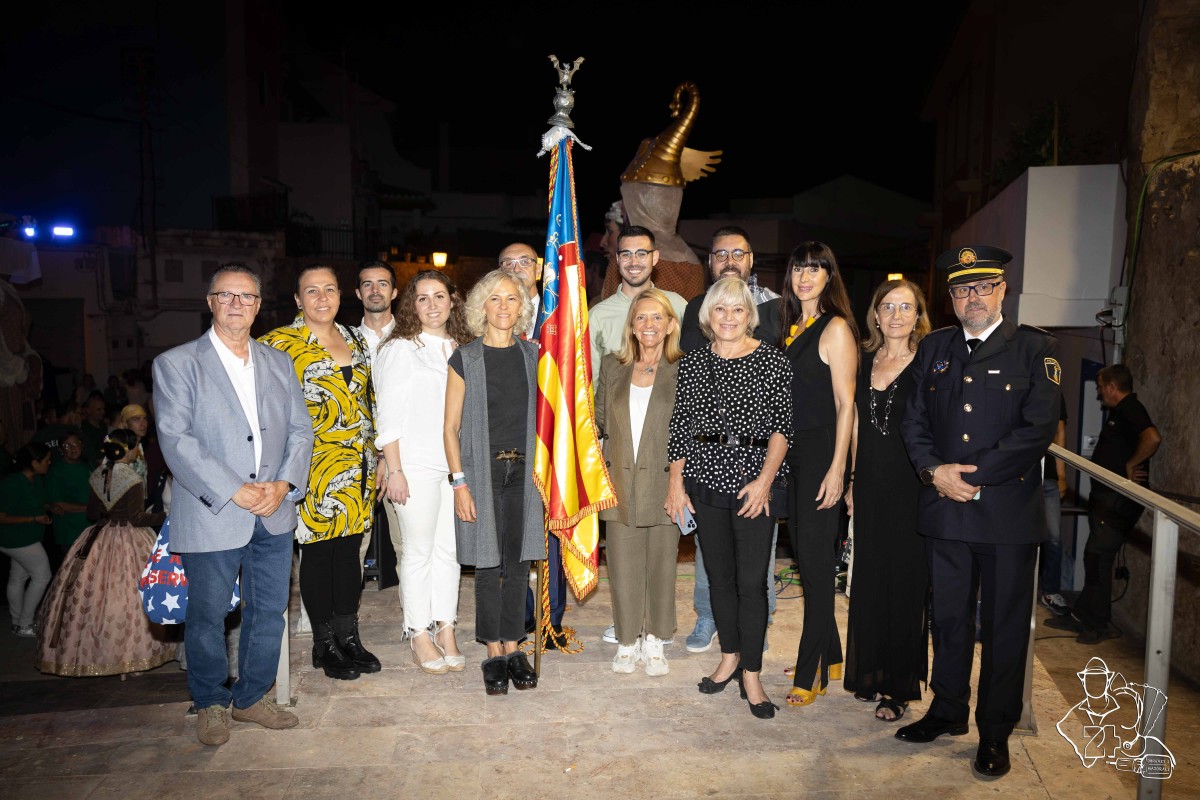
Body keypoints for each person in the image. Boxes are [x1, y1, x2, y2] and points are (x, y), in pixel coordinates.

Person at [898, 245, 1060, 780]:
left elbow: (1036, 430)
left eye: (983, 287)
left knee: (1005, 627)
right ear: (950, 298)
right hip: (944, 508)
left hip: (1007, 514)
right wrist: (933, 471)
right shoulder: (935, 348)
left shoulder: (1035, 350)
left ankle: (995, 731)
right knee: (947, 621)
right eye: (962, 289)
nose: (973, 297)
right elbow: (913, 419)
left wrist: (971, 474)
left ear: (1001, 291)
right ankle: (947, 711)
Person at [154, 262, 314, 745]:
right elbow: (176, 440)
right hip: (214, 513)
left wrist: (284, 484)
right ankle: (210, 703)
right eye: (226, 295)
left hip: (274, 511)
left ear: (259, 306)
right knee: (206, 616)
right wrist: (234, 489)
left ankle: (251, 699)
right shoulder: (177, 363)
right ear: (210, 302)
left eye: (246, 297)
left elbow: (302, 431)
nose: (237, 304)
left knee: (269, 611)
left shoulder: (277, 362)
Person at [666, 277, 792, 719]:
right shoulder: (693, 363)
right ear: (707, 317)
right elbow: (680, 426)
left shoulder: (773, 361)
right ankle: (730, 655)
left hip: (754, 481)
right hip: (704, 477)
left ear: (749, 315)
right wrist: (675, 484)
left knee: (752, 583)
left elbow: (783, 429)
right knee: (718, 577)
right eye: (720, 310)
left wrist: (765, 482)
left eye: (737, 310)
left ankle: (753, 673)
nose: (728, 318)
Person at [260, 264, 381, 681]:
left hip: (358, 466)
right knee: (318, 555)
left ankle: (349, 637)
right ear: (297, 299)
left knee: (349, 554)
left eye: (329, 289)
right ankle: (323, 644)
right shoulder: (278, 343)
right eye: (311, 291)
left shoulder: (353, 338)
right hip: (310, 467)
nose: (322, 298)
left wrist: (379, 457)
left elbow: (370, 402)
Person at [678, 225, 782, 655]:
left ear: (752, 258)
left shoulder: (777, 309)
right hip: (708, 459)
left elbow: (781, 414)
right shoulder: (696, 310)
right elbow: (685, 408)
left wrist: (767, 476)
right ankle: (712, 621)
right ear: (710, 262)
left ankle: (759, 629)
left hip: (757, 460)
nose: (729, 261)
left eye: (738, 253)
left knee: (757, 563)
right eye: (720, 254)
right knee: (714, 558)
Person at [444, 268, 546, 696]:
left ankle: (514, 645)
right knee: (488, 565)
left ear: (522, 306)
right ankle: (493, 652)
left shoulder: (534, 354)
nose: (504, 307)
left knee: (518, 563)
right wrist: (460, 484)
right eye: (495, 299)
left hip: (525, 473)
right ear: (480, 307)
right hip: (482, 475)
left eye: (511, 299)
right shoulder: (465, 358)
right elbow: (449, 427)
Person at [374, 270, 472, 674]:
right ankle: (417, 632)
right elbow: (389, 416)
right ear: (411, 305)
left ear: (453, 300)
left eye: (439, 296)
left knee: (449, 552)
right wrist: (394, 469)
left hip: (456, 466)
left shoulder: (465, 346)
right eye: (422, 298)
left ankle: (446, 627)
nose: (432, 305)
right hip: (413, 464)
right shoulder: (400, 348)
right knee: (417, 551)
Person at [843, 278, 932, 721]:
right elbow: (857, 425)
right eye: (888, 307)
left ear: (918, 316)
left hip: (913, 487)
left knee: (906, 584)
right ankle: (870, 673)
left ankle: (897, 687)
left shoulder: (931, 364)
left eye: (906, 307)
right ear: (875, 315)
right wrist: (854, 481)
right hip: (872, 485)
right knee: (869, 579)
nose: (896, 315)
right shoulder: (861, 361)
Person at [779, 241, 859, 708]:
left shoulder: (835, 329)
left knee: (815, 566)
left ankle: (812, 673)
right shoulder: (793, 328)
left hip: (821, 457)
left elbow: (846, 404)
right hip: (795, 456)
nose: (806, 276)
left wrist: (839, 471)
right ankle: (830, 656)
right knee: (808, 564)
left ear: (830, 277)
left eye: (816, 269)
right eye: (799, 268)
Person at [36, 429, 175, 677]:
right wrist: (167, 515)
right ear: (126, 449)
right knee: (131, 597)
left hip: (100, 536)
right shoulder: (132, 478)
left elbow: (92, 513)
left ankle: (99, 653)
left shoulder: (96, 474)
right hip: (129, 540)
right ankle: (131, 658)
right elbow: (137, 518)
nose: (138, 451)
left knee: (93, 598)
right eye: (136, 447)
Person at [595, 289, 683, 675]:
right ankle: (628, 641)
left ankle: (656, 642)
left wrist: (683, 484)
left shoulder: (685, 367)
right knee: (623, 566)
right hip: (619, 481)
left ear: (670, 325)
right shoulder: (613, 366)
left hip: (666, 482)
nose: (649, 325)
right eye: (641, 317)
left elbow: (690, 430)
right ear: (631, 325)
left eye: (657, 318)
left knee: (663, 566)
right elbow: (596, 420)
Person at [1046, 364, 1160, 645]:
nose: (1098, 394)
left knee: (1097, 557)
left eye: (1100, 387)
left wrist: (1132, 464)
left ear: (1112, 386)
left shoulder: (1131, 408)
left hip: (1118, 501)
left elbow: (1152, 437)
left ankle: (1097, 625)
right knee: (1093, 555)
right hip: (1107, 499)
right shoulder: (1120, 412)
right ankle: (1084, 614)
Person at [495, 242, 568, 646]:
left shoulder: (558, 313)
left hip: (551, 443)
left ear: (540, 268)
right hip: (506, 445)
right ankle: (520, 614)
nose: (517, 268)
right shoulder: (492, 315)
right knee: (511, 536)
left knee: (549, 537)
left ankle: (549, 618)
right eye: (508, 263)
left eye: (525, 262)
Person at [354, 260, 403, 596]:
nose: (375, 290)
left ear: (394, 292)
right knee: (353, 549)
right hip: (356, 458)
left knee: (410, 546)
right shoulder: (343, 340)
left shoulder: (413, 338)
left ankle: (418, 624)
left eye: (382, 283)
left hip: (403, 456)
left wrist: (389, 456)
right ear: (357, 293)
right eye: (368, 284)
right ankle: (344, 631)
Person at [589, 226, 687, 382]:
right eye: (626, 254)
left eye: (641, 254)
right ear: (618, 259)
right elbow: (591, 381)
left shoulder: (677, 305)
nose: (634, 262)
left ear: (654, 257)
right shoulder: (598, 316)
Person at [0, 442, 53, 637]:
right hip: (16, 539)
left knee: (18, 578)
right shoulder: (12, 483)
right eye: (46, 460)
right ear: (34, 462)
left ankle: (17, 622)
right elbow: (2, 516)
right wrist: (33, 518)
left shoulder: (35, 479)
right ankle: (25, 623)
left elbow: (37, 501)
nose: (50, 462)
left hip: (26, 537)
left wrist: (49, 508)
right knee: (42, 576)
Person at [1038, 396, 1070, 617]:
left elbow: (1060, 431)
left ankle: (1050, 592)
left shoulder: (1053, 384)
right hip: (1017, 474)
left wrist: (1061, 475)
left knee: (1054, 537)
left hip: (1048, 475)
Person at [45, 431, 92, 565]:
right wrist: (90, 508)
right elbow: (58, 503)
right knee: (72, 571)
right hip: (70, 531)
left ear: (82, 446)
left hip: (88, 527)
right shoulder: (56, 471)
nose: (73, 448)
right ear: (60, 450)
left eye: (76, 444)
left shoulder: (86, 465)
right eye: (67, 445)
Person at [79, 393, 108, 467]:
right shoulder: (83, 429)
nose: (103, 412)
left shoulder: (103, 425)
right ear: (88, 410)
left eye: (103, 409)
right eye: (99, 410)